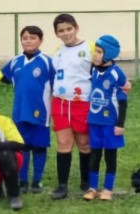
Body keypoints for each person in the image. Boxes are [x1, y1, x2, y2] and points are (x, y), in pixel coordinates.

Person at [0, 26, 54, 193]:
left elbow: (60, 82)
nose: (28, 41)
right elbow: (3, 78)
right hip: (20, 112)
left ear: (40, 40)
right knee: (21, 147)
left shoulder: (47, 61)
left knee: (39, 147)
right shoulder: (15, 61)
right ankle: (22, 181)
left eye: (32, 37)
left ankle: (37, 181)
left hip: (41, 113)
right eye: (24, 38)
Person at [49, 14, 94, 199]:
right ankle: (62, 186)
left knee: (84, 143)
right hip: (60, 103)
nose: (66, 33)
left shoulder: (90, 47)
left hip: (82, 103)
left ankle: (86, 182)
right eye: (61, 30)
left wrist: (123, 84)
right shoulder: (57, 52)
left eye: (69, 28)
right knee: (63, 144)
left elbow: (105, 69)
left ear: (76, 28)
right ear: (57, 34)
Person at [84, 35, 127, 201]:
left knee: (110, 155)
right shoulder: (93, 69)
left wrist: (120, 124)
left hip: (110, 124)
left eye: (99, 52)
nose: (95, 55)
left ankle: (108, 189)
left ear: (108, 55)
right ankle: (93, 188)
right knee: (95, 154)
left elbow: (123, 102)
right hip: (94, 121)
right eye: (95, 51)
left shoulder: (117, 74)